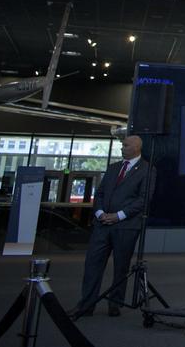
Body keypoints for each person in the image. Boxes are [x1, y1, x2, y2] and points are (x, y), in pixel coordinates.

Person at [73, 134, 151, 318]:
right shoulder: (113, 168)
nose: (121, 148)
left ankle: (115, 304)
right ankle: (86, 305)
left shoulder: (147, 170)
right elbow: (99, 194)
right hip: (102, 225)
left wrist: (118, 216)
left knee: (121, 267)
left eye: (125, 145)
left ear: (137, 148)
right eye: (122, 145)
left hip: (126, 226)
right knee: (92, 264)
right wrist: (100, 213)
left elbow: (143, 199)